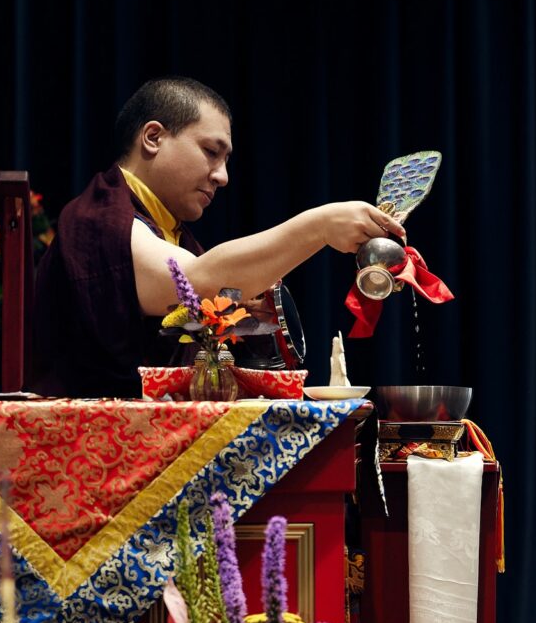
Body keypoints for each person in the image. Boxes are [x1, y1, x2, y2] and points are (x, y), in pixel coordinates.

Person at [23, 76, 406, 397]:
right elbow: (192, 283)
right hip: (75, 451)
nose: (222, 177)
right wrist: (320, 226)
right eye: (210, 151)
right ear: (153, 137)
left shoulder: (168, 231)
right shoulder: (98, 216)